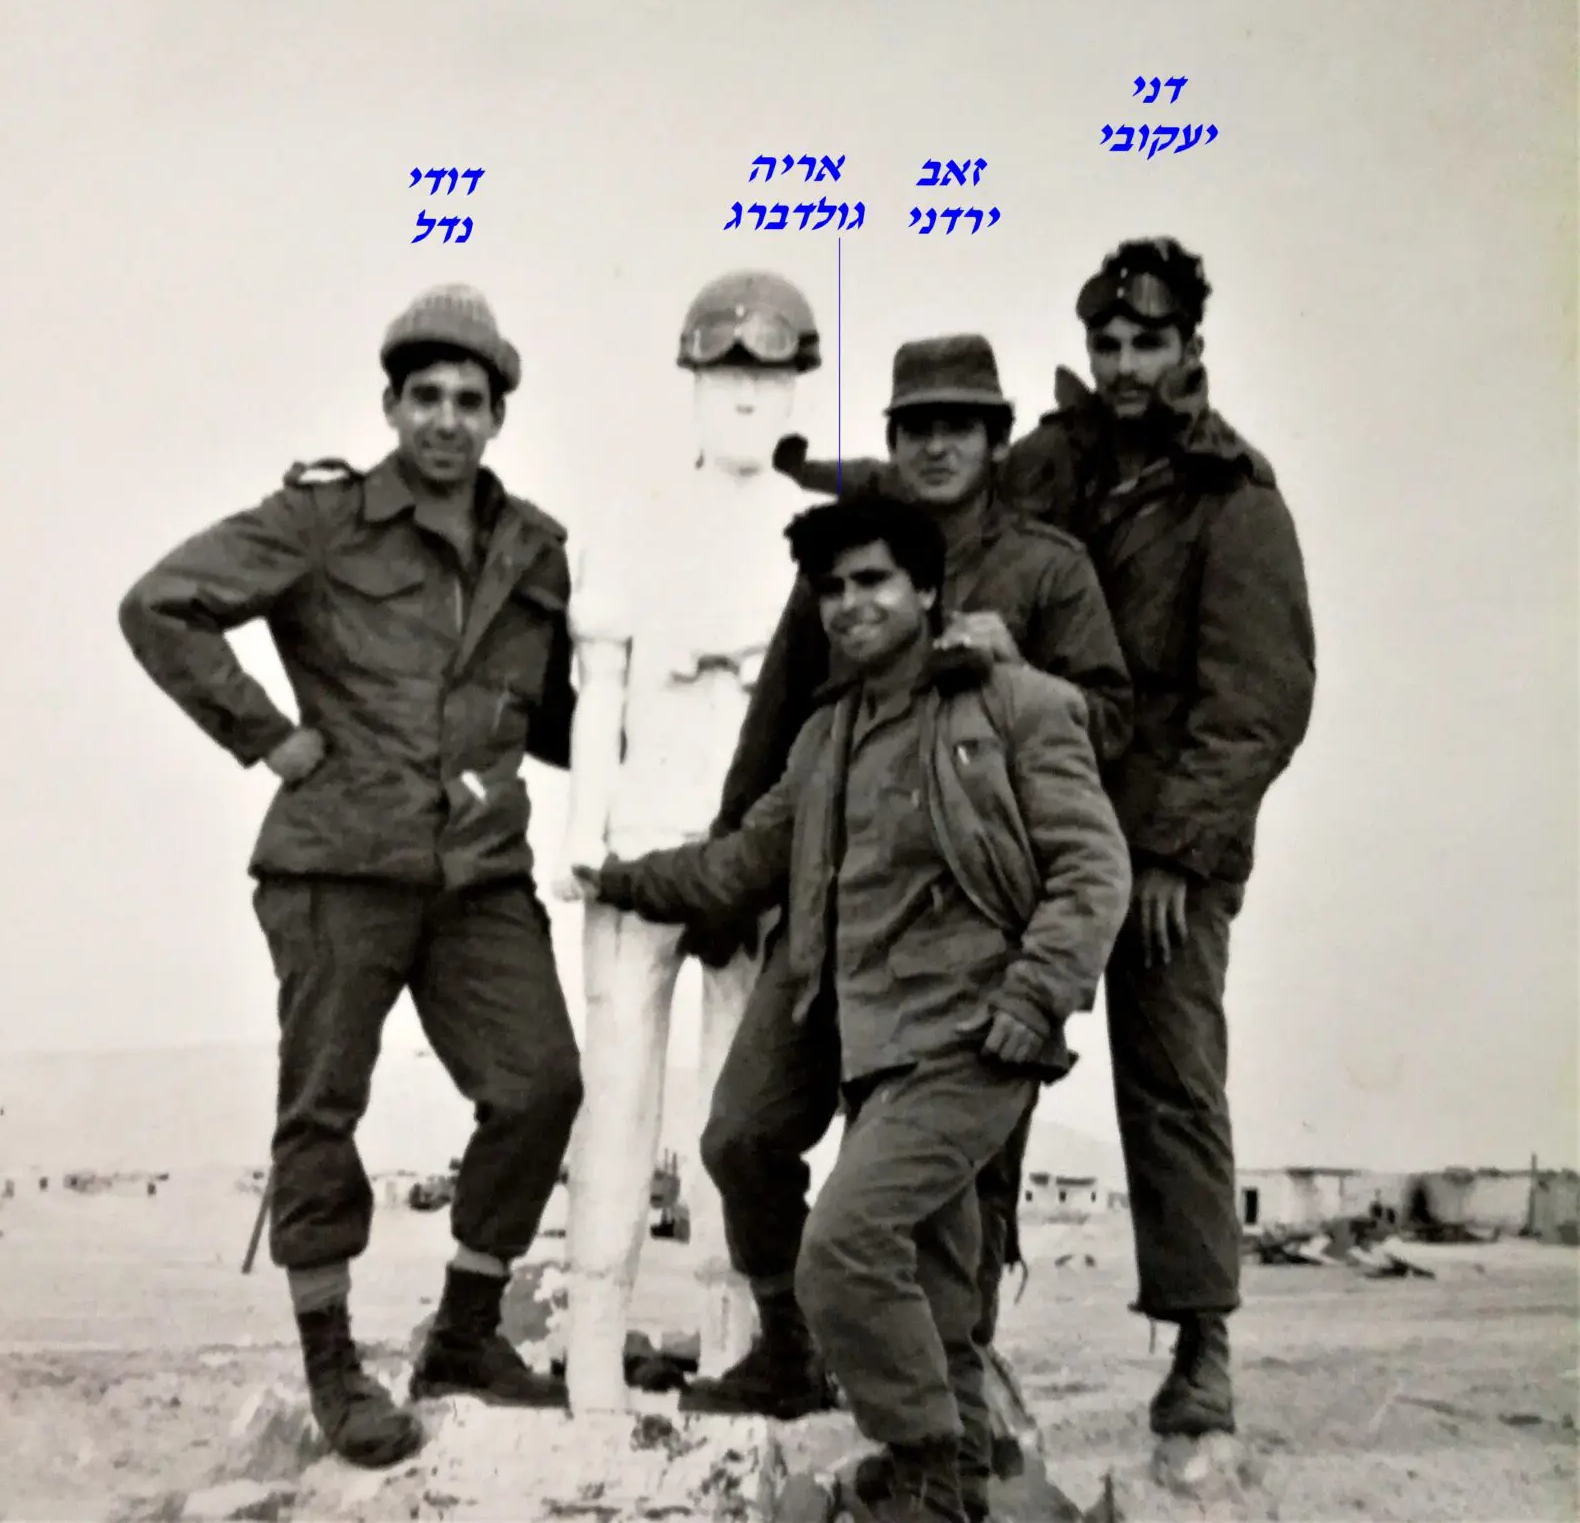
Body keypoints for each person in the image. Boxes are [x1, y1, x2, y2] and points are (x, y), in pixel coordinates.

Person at [573, 495, 1131, 1523]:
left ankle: (927, 1470)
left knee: (844, 1250)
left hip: (974, 1036)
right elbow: (746, 859)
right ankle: (936, 1464)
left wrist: (1037, 994)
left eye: (872, 580)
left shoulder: (1019, 705)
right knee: (902, 1253)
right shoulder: (826, 735)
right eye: (830, 589)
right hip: (860, 1033)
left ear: (926, 589)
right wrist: (618, 880)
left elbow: (1094, 870)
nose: (849, 605)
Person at [117, 285, 582, 1469]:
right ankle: (333, 1366)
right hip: (338, 864)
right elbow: (161, 605)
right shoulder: (321, 519)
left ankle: (464, 1334)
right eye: (424, 396)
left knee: (539, 1086)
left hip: (478, 872)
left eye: (468, 400)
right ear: (389, 406)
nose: (445, 419)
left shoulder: (534, 550)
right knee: (323, 1110)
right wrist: (265, 736)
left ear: (497, 416)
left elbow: (557, 717)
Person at [998, 238, 1317, 1460]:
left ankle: (1198, 1352)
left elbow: (1258, 702)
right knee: (983, 1059)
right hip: (1028, 824)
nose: (1124, 365)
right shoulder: (1048, 467)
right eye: (1107, 344)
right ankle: (961, 1329)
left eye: (1147, 342)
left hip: (1160, 849)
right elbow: (950, 522)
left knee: (1172, 1079)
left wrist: (1177, 853)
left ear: (1189, 347)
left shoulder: (1234, 499)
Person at [544, 270, 824, 1411]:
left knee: (735, 1109)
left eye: (770, 376)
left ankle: (732, 1344)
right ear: (694, 385)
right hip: (638, 843)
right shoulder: (633, 516)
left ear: (795, 387)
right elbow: (598, 684)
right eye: (725, 376)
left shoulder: (807, 530)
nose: (747, 398)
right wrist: (580, 836)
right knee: (615, 1097)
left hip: (753, 853)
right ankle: (590, 1353)